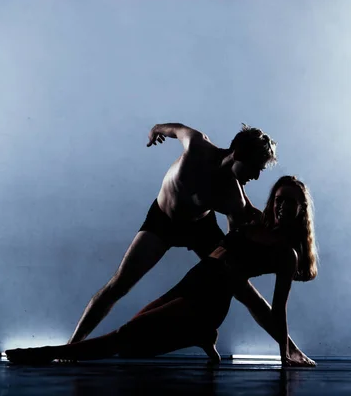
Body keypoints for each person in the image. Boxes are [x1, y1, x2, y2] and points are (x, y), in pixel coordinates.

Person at [64, 122, 314, 366]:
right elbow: (169, 128)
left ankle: (290, 349)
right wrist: (155, 131)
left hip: (200, 228)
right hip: (162, 221)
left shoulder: (233, 198)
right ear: (237, 155)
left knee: (244, 291)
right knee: (119, 284)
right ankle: (71, 347)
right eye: (254, 168)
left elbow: (237, 241)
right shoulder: (197, 145)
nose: (256, 176)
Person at [6, 176, 318, 366]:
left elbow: (276, 309)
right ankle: (200, 336)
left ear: (301, 209)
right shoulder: (252, 220)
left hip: (209, 298)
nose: (282, 206)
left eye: (290, 203)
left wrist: (285, 353)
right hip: (192, 281)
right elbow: (232, 182)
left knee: (124, 337)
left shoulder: (286, 254)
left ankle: (48, 354)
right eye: (279, 199)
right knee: (134, 339)